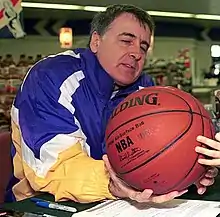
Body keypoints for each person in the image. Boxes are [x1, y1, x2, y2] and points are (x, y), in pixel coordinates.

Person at [6, 4, 218, 204]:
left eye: (143, 47)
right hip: (41, 204)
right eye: (126, 41)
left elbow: (153, 152)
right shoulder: (50, 77)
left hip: (120, 202)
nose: (137, 53)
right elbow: (53, 169)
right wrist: (116, 184)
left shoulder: (144, 88)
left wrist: (188, 168)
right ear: (96, 42)